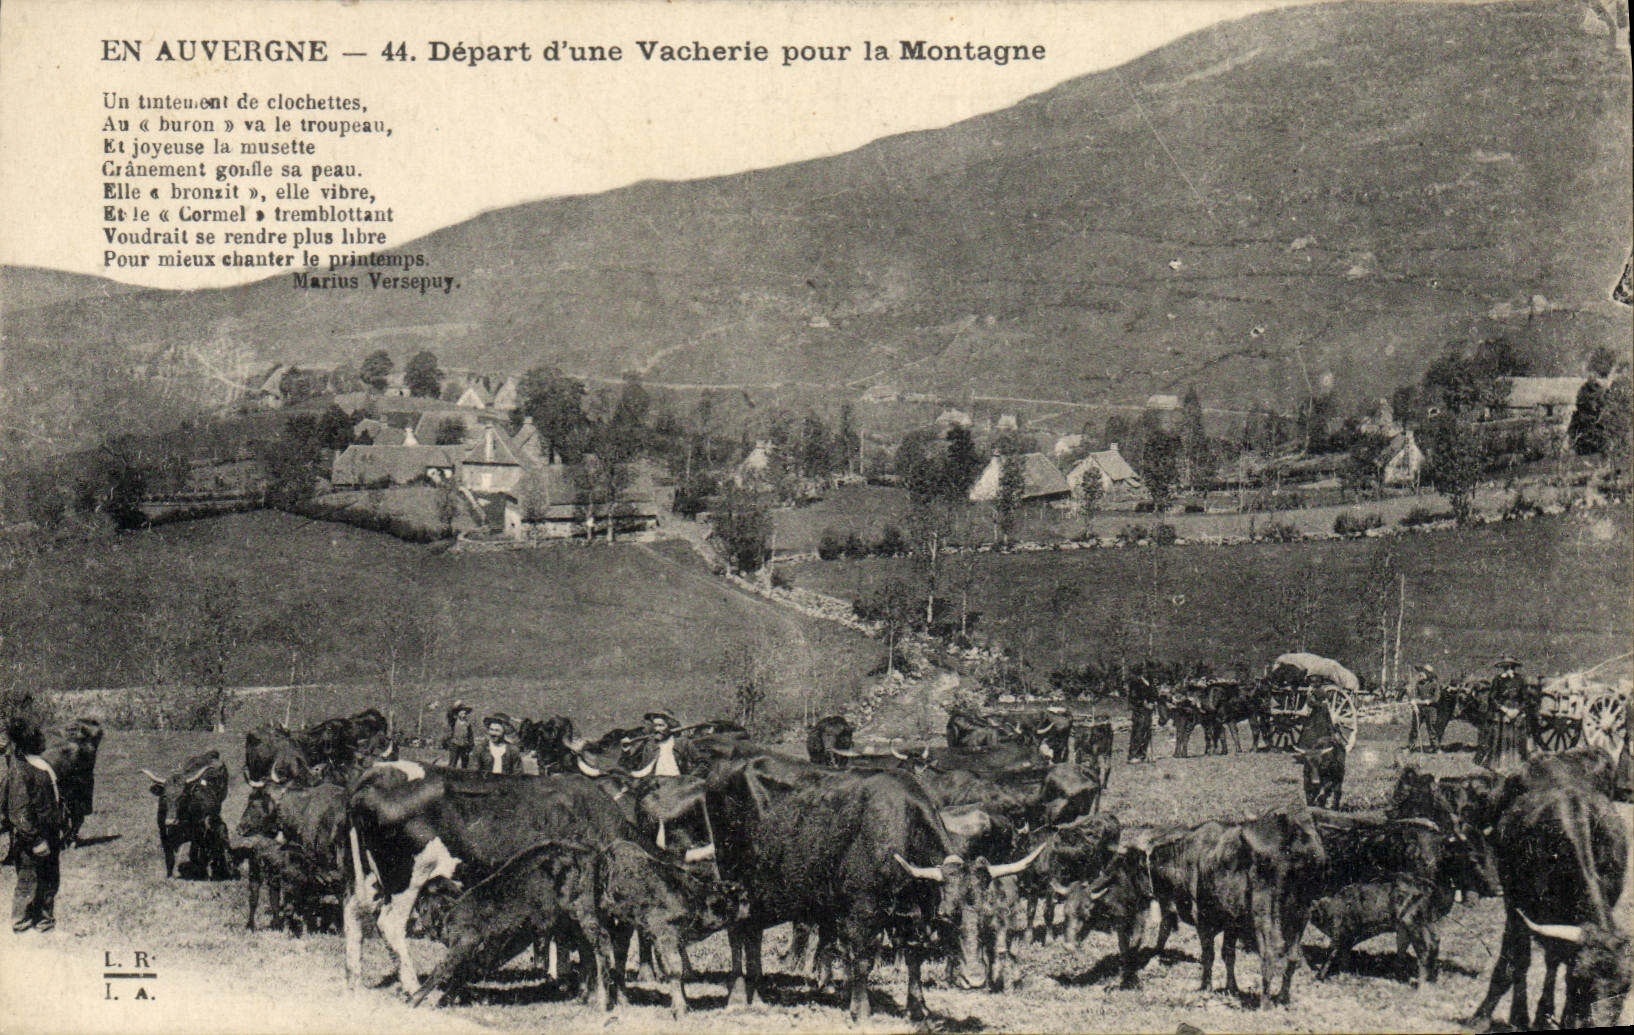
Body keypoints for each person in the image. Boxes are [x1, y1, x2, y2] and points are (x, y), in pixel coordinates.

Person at [2, 716, 63, 933]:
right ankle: (22, 924)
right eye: (38, 736)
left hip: (49, 833)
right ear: (28, 740)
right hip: (32, 838)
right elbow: (19, 812)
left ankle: (44, 921)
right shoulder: (20, 769)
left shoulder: (38, 763)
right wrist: (36, 840)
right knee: (29, 880)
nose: (43, 740)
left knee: (49, 880)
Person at [1479, 656, 1530, 769]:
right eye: (1505, 667)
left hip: (1516, 712)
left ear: (1514, 667)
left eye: (1510, 667)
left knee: (1516, 738)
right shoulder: (1497, 680)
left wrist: (1517, 710)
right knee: (1501, 738)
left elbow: (1526, 699)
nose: (1508, 669)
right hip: (1501, 712)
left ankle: (1516, 763)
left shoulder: (1520, 680)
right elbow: (1492, 698)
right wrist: (1504, 709)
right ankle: (1500, 764)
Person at [1126, 663, 1156, 763]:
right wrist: (1144, 703)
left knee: (1147, 731)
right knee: (1138, 731)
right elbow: (1133, 697)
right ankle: (1133, 754)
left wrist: (1153, 703)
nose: (1147, 673)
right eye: (1145, 671)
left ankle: (1142, 753)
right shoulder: (1135, 683)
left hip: (1149, 710)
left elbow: (1154, 694)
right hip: (1139, 710)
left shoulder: (1150, 682)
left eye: (1149, 671)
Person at [1406, 663, 1441, 752]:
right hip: (1419, 709)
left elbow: (1436, 698)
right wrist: (1414, 704)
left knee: (1432, 728)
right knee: (1415, 728)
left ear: (1429, 674)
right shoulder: (1418, 684)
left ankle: (1436, 748)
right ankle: (1410, 747)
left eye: (1424, 672)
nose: (1421, 674)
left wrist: (1428, 701)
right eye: (1421, 672)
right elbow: (1415, 696)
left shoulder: (1434, 684)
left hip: (1431, 709)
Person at [445, 701, 474, 770]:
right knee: (453, 762)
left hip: (464, 745)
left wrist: (471, 745)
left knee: (465, 763)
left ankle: (464, 777)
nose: (464, 714)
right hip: (455, 744)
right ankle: (450, 775)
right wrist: (455, 705)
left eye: (465, 713)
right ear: (458, 713)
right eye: (462, 712)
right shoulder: (453, 721)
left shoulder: (468, 723)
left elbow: (470, 735)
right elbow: (449, 714)